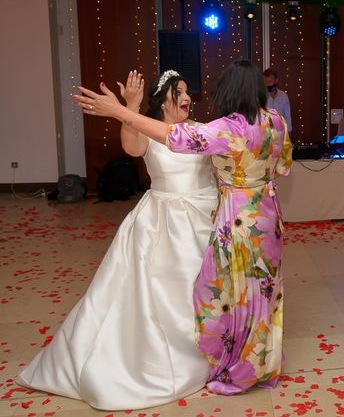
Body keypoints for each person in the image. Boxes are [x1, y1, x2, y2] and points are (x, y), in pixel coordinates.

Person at [75, 59, 292, 396]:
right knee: (265, 291)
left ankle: (242, 368)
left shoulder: (228, 127)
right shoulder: (276, 121)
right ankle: (264, 362)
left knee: (237, 292)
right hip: (267, 211)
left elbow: (177, 139)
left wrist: (120, 111)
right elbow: (283, 165)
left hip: (238, 216)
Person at [17, 70, 219, 410]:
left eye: (187, 92)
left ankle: (213, 348)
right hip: (164, 221)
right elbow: (131, 145)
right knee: (164, 290)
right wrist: (130, 108)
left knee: (205, 288)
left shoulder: (200, 130)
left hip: (204, 215)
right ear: (162, 100)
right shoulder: (147, 130)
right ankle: (164, 357)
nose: (186, 97)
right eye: (177, 92)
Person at [263, 67, 292, 135]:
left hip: (280, 133)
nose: (267, 85)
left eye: (270, 82)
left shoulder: (284, 96)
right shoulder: (260, 96)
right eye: (265, 82)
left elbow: (287, 116)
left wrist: (289, 132)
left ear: (276, 81)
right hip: (265, 134)